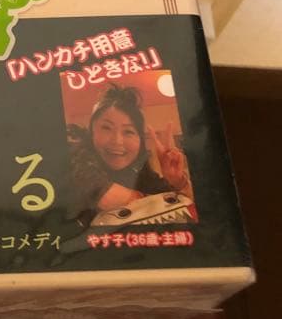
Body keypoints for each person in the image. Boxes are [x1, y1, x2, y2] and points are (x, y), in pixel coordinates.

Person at [69, 84, 193, 227]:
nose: (117, 141)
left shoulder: (141, 173)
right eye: (106, 128)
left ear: (140, 141)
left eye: (128, 131)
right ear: (91, 133)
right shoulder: (74, 160)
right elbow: (103, 194)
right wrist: (161, 200)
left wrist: (177, 181)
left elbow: (184, 209)